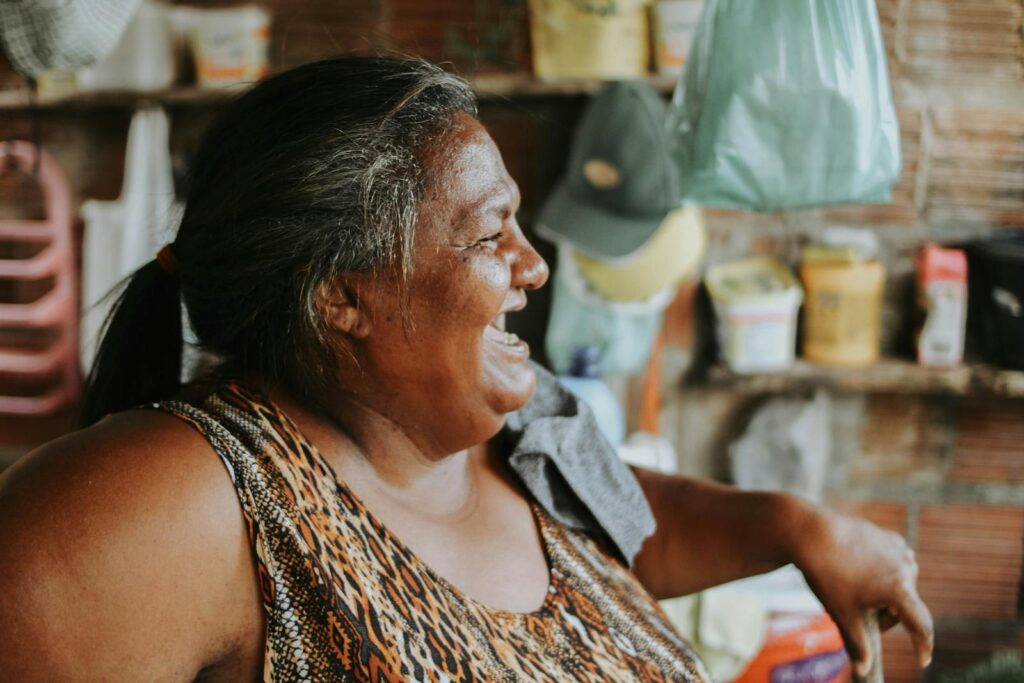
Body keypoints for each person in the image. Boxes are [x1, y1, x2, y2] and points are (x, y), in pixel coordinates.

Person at [0, 56, 932, 681]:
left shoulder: (527, 428)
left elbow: (633, 536)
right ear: (341, 298)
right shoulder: (193, 498)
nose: (534, 266)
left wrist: (795, 525)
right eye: (491, 235)